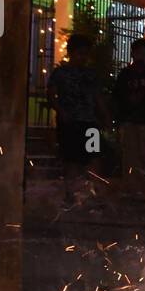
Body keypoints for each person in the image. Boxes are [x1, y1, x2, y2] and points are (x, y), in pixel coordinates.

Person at [47, 33, 111, 204]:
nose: (83, 57)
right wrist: (61, 111)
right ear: (71, 52)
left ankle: (92, 192)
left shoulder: (91, 74)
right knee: (71, 159)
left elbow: (98, 97)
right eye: (80, 53)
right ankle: (70, 193)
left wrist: (105, 116)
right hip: (70, 123)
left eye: (86, 54)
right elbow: (51, 95)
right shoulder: (60, 73)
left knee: (94, 156)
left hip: (90, 122)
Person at [111, 38, 145, 195]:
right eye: (138, 53)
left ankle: (140, 186)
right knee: (129, 153)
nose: (141, 56)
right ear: (133, 53)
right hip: (129, 119)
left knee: (142, 154)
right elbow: (118, 96)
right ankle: (130, 186)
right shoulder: (125, 74)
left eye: (144, 53)